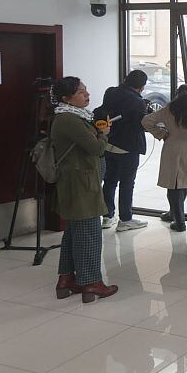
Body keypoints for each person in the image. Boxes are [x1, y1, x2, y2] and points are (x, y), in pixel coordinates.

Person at [50, 77, 118, 303]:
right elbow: (97, 148)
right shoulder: (69, 119)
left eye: (86, 90)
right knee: (89, 233)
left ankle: (67, 279)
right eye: (81, 92)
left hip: (78, 182)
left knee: (73, 233)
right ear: (66, 99)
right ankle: (91, 284)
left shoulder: (73, 117)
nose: (87, 94)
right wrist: (103, 132)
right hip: (81, 185)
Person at [141, 84, 187, 233]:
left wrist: (161, 133)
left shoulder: (171, 108)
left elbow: (146, 121)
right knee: (184, 182)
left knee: (174, 185)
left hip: (173, 149)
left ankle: (178, 220)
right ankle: (176, 214)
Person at [98, 69, 149, 231]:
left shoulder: (110, 92)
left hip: (108, 142)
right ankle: (125, 219)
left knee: (110, 180)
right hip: (128, 147)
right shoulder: (137, 101)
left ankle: (107, 216)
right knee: (127, 183)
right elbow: (140, 124)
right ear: (141, 87)